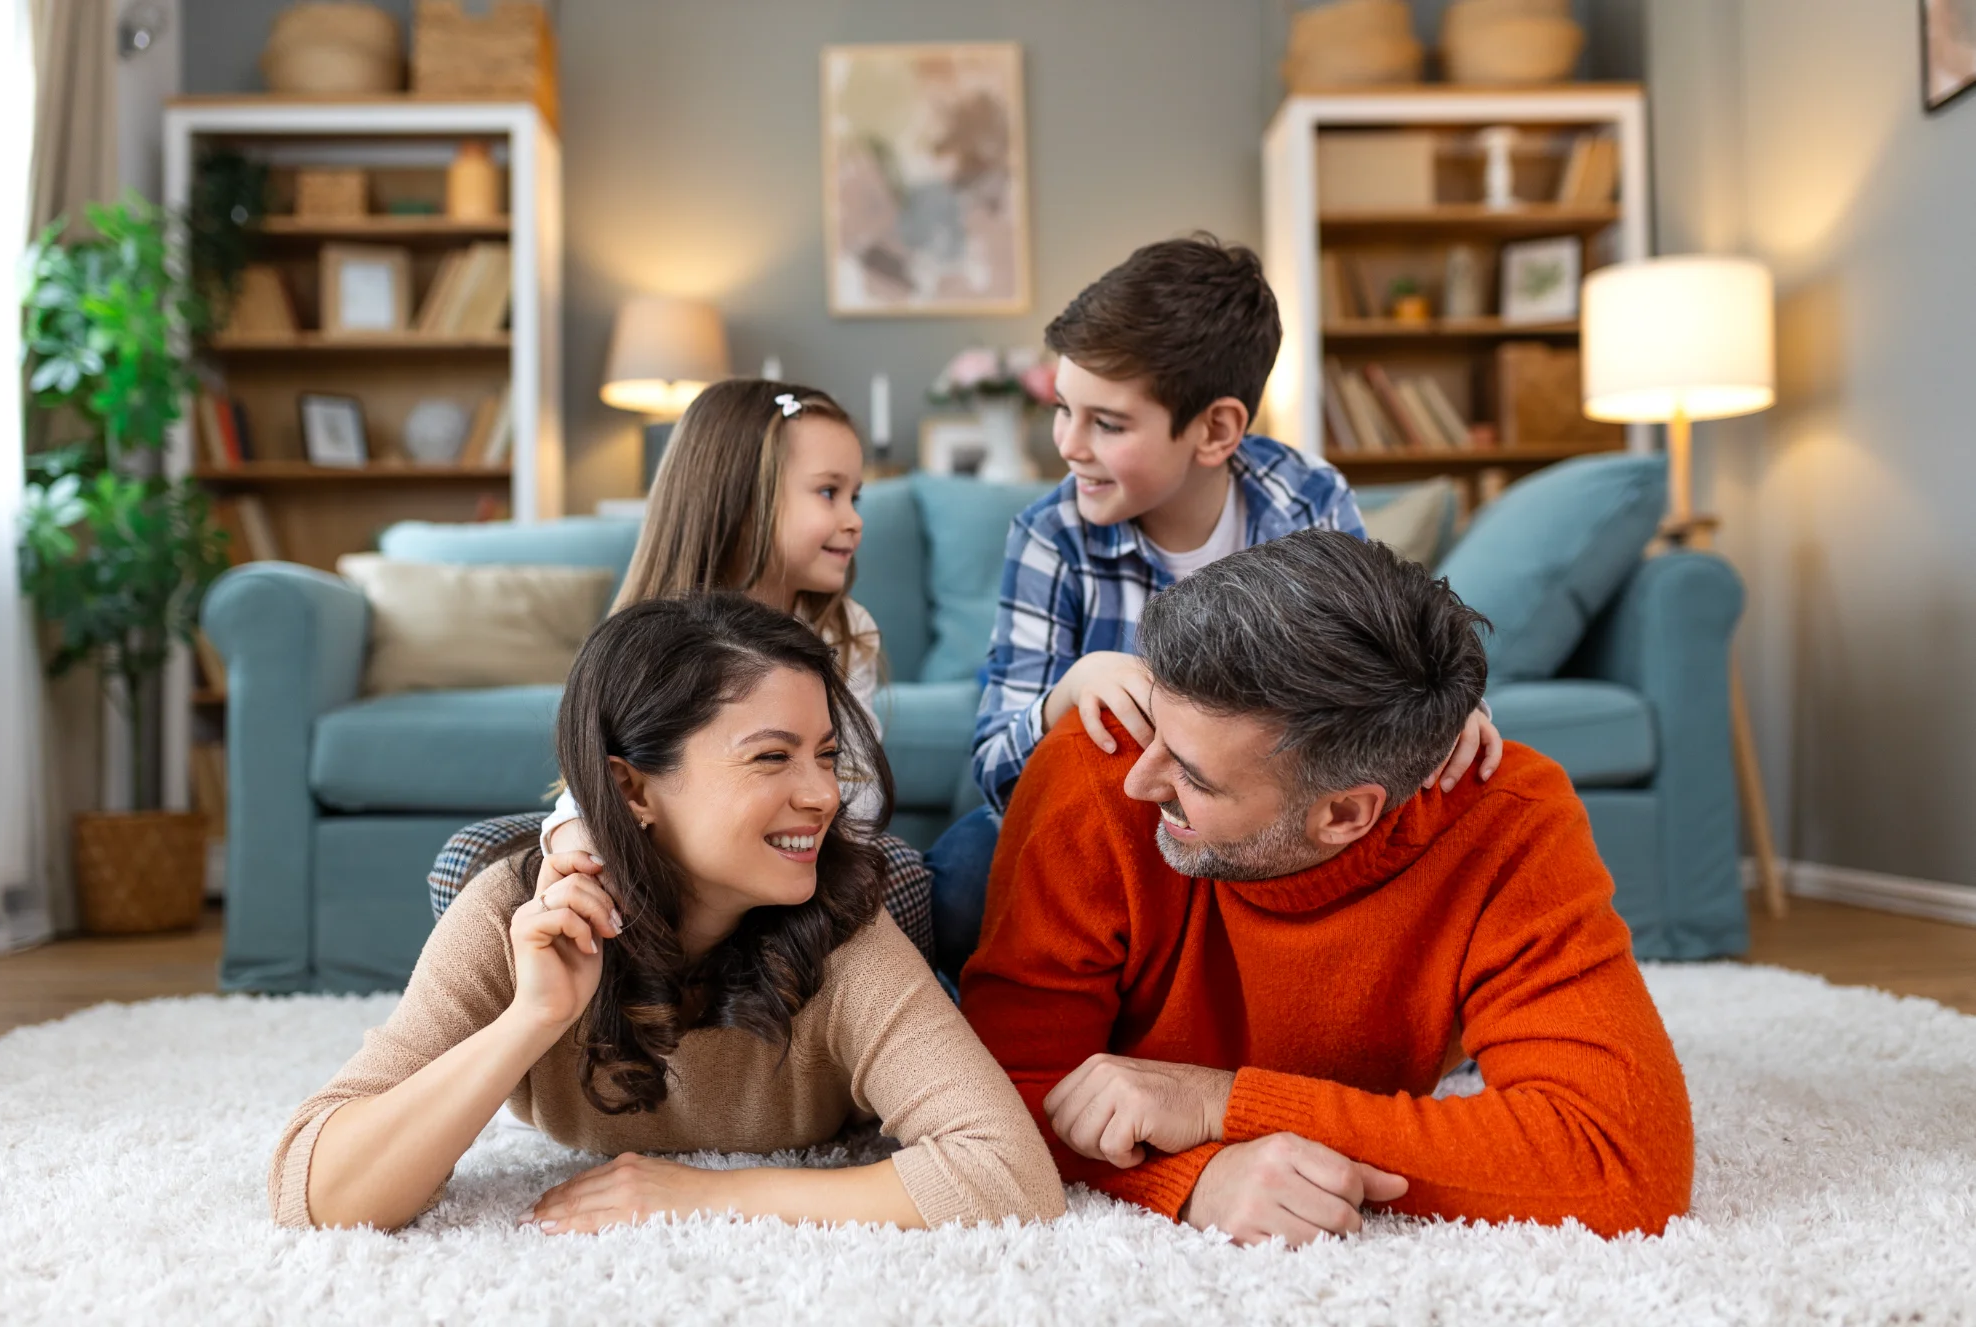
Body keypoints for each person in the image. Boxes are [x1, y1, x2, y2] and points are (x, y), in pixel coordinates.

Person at [960, 530, 1694, 1245]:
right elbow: (992, 1102)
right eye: (1158, 713)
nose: (1140, 777)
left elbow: (1620, 1159)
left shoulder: (1510, 816)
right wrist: (1195, 1177)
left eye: (1192, 774)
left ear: (1345, 813)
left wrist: (1220, 1102)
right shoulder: (1096, 765)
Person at [273, 594, 1065, 1233]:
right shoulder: (511, 916)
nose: (825, 792)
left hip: (871, 898)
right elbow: (313, 1189)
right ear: (631, 788)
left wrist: (704, 1193)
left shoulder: (849, 924)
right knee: (469, 862)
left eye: (826, 754)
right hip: (570, 884)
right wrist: (529, 1018)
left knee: (894, 868)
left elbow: (1010, 1171)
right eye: (770, 755)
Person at [927, 236, 1501, 980]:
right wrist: (1064, 697)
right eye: (1065, 409)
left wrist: (1443, 713)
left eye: (1108, 423)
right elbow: (994, 770)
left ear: (1217, 429)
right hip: (1108, 827)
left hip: (1259, 823)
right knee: (964, 879)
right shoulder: (1049, 534)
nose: (1068, 444)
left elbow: (1378, 672)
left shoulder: (1305, 498)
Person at [426, 379, 933, 960]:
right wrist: (580, 843)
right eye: (828, 493)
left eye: (856, 497)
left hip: (785, 850)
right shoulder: (646, 637)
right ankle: (527, 1026)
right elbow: (595, 781)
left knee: (895, 868)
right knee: (475, 854)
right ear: (742, 499)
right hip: (651, 852)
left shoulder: (846, 631)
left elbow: (854, 798)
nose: (854, 520)